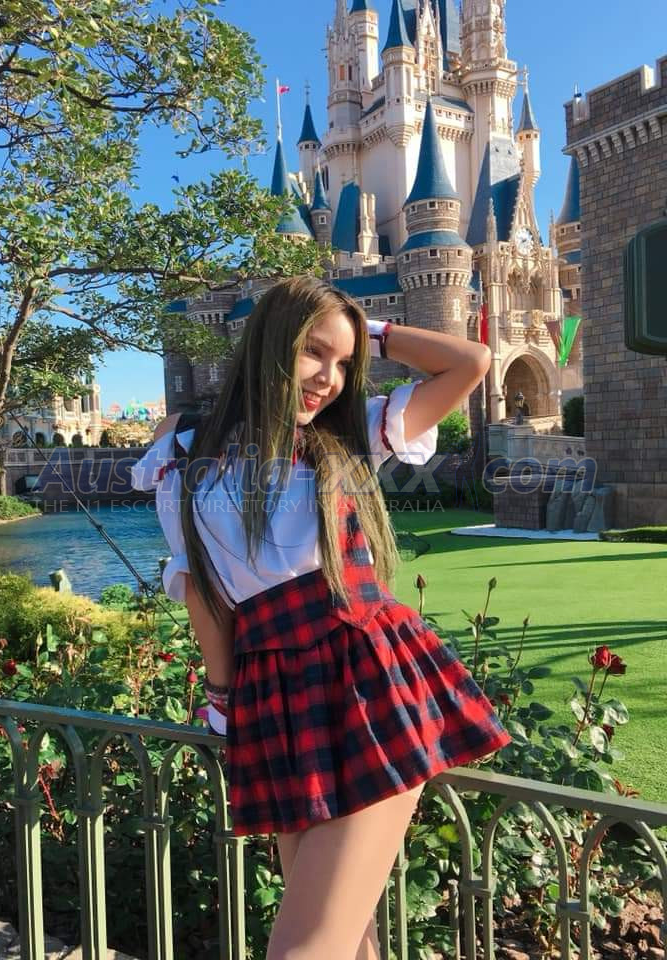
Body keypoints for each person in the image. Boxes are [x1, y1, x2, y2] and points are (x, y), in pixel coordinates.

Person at [131, 276, 511, 960]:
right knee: (348, 941)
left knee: (306, 948)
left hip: (366, 682)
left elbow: (470, 362)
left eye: (343, 364)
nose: (329, 380)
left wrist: (369, 333)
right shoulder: (182, 445)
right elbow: (201, 589)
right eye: (312, 352)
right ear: (268, 344)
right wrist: (222, 698)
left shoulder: (352, 433)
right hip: (274, 693)